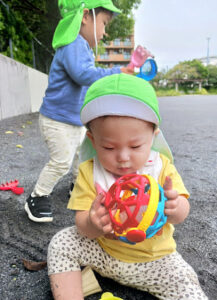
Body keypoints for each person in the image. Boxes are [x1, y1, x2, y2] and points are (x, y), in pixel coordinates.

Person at [47, 73, 208, 300]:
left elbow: (182, 211)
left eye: (135, 146)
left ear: (153, 137)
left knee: (187, 286)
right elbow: (82, 225)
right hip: (104, 253)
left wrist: (176, 207)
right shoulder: (89, 171)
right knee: (61, 243)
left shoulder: (161, 167)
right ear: (93, 141)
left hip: (157, 263)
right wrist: (93, 223)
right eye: (109, 148)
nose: (123, 157)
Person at [24, 0, 134, 223]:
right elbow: (83, 75)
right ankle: (37, 196)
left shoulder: (81, 46)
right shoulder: (72, 43)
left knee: (80, 157)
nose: (104, 32)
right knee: (62, 161)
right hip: (56, 120)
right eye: (103, 23)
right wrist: (116, 73)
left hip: (73, 120)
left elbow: (87, 80)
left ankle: (77, 187)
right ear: (85, 16)